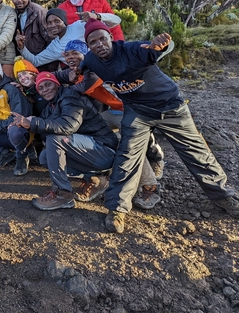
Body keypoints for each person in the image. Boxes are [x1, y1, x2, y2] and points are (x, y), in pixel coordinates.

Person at [81, 19, 239, 233]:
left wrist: (163, 45)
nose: (99, 45)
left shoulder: (132, 50)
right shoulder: (91, 60)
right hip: (137, 111)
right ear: (88, 46)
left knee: (196, 152)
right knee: (127, 155)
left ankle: (223, 197)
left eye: (102, 39)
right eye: (93, 42)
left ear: (111, 38)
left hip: (170, 106)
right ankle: (117, 209)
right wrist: (76, 74)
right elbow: (82, 68)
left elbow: (157, 50)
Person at [54, 40, 162, 208]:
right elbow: (55, 76)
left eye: (75, 53)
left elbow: (81, 88)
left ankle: (150, 185)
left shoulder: (95, 70)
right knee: (93, 135)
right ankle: (99, 177)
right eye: (67, 54)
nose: (71, 57)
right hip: (108, 112)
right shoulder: (74, 71)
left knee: (128, 144)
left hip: (126, 110)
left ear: (87, 55)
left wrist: (64, 82)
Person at [10, 72, 118, 209]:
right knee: (45, 157)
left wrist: (33, 123)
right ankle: (96, 179)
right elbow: (42, 127)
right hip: (88, 151)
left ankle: (63, 194)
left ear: (57, 84)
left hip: (104, 150)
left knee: (55, 139)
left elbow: (68, 125)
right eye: (41, 88)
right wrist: (22, 124)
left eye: (48, 84)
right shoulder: (50, 107)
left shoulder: (70, 96)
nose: (45, 89)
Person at [16, 8, 120, 70]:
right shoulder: (54, 47)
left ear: (64, 21)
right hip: (84, 76)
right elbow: (36, 61)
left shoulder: (79, 26)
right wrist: (22, 47)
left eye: (57, 21)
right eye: (49, 23)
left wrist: (97, 16)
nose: (53, 25)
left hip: (107, 65)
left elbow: (116, 20)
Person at [11, 0, 54, 71]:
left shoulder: (39, 12)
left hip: (42, 64)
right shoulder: (13, 14)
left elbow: (51, 40)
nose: (19, 0)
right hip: (25, 63)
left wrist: (51, 68)